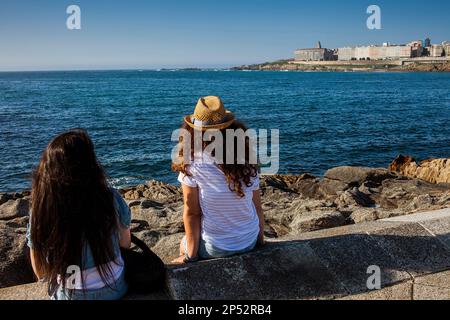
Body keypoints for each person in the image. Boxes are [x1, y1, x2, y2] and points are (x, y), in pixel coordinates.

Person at [27, 129, 131, 300]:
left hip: (71, 295)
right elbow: (125, 243)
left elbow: (40, 269)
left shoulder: (43, 208)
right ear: (91, 164)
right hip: (116, 288)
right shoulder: (110, 197)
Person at [172, 96, 264, 264]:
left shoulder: (193, 163)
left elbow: (192, 213)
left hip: (216, 248)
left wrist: (190, 257)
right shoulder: (247, 158)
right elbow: (257, 207)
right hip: (250, 240)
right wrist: (259, 240)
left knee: (183, 243)